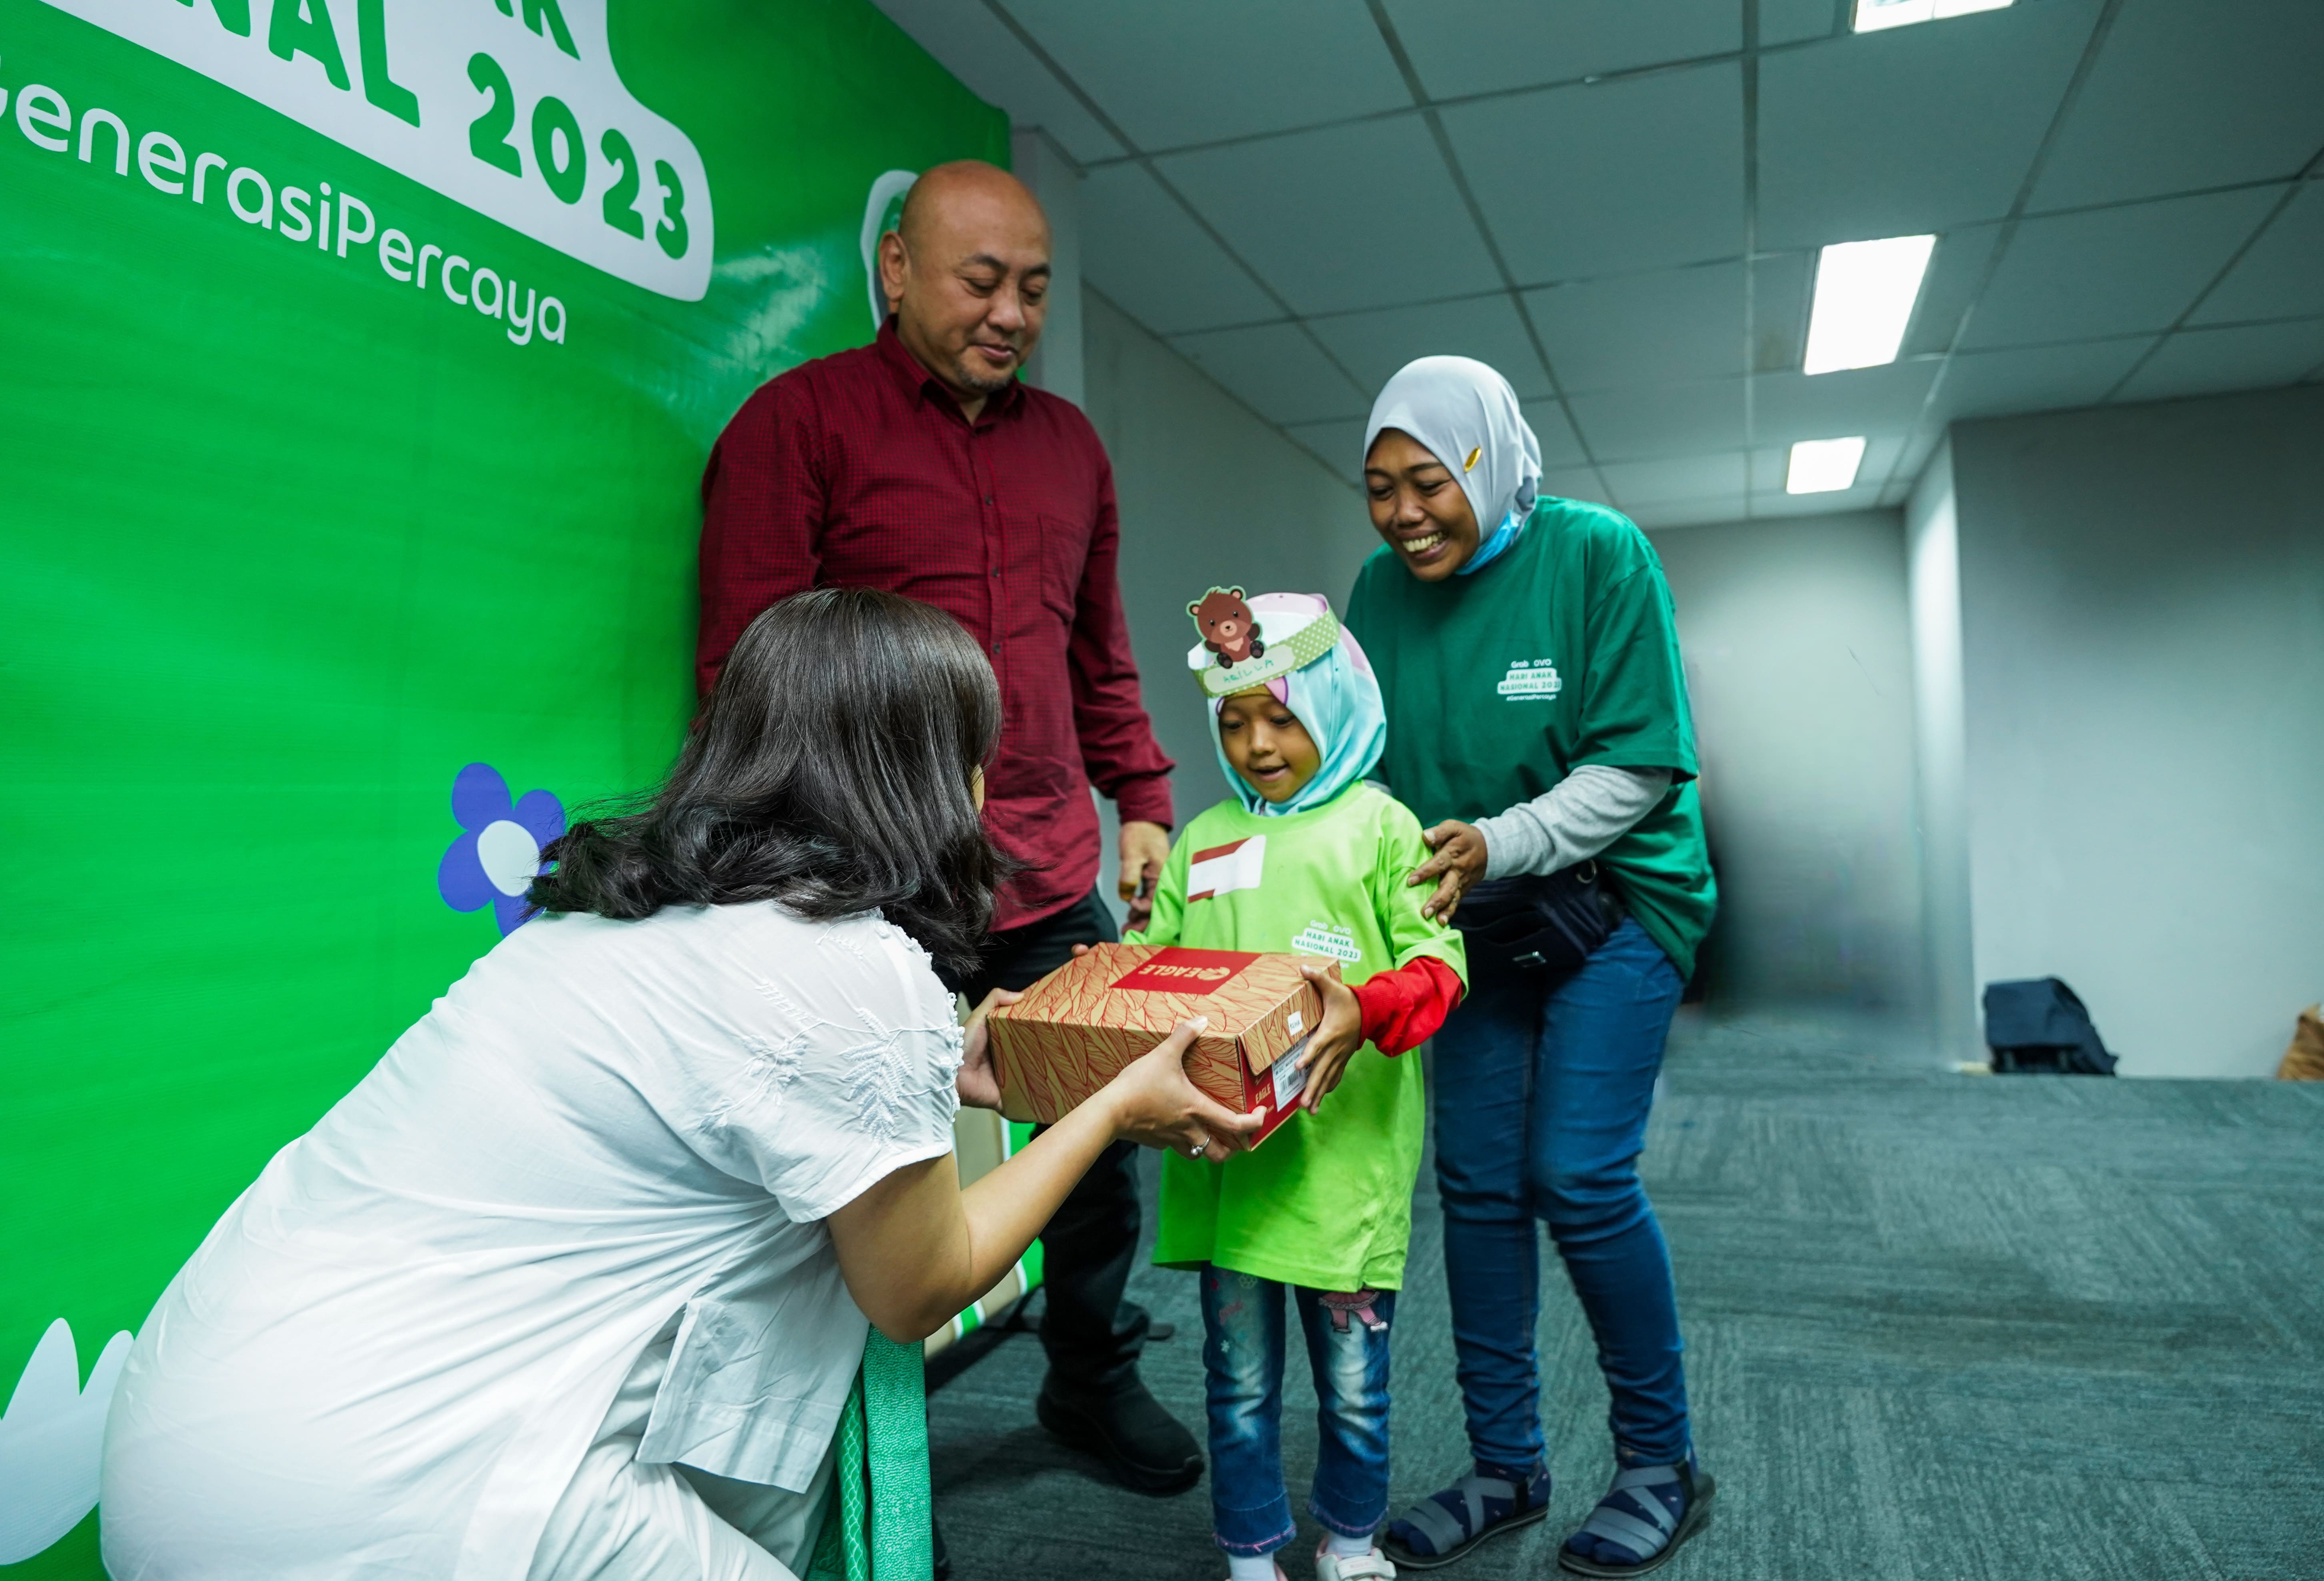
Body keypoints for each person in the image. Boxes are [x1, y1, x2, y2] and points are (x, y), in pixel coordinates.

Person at [99, 590, 1260, 1581]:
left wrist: (940, 1074)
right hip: (395, 1484)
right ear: (926, 776)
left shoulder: (613, 913)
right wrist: (1109, 1106)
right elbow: (922, 1286)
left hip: (192, 1427)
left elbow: (739, 1091)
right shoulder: (854, 970)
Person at [695, 159, 1198, 1495]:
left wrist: (1142, 798)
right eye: (983, 280)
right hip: (870, 897)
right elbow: (745, 684)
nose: (1013, 311)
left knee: (1099, 1158)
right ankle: (860, 1465)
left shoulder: (1073, 449)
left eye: (1034, 287)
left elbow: (1099, 653)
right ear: (899, 270)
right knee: (858, 1179)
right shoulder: (795, 427)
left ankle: (1092, 1378)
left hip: (1046, 874)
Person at [1345, 359, 1719, 1577]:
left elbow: (1638, 768)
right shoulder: (1377, 594)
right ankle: (1507, 1467)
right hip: (1472, 917)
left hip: (1615, 906)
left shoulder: (1597, 555)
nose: (1405, 514)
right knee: (1478, 1185)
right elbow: (1358, 771)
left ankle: (1663, 1464)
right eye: (1379, 487)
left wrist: (1501, 839)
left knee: (1577, 1175)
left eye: (1429, 482)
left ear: (1489, 464)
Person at [1113, 590, 1469, 1581]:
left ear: (1337, 707)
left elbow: (1439, 966)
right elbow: (1153, 961)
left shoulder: (1384, 828)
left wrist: (1366, 1005)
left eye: (1283, 717)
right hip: (1230, 1169)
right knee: (1235, 1381)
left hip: (1340, 1176)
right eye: (1235, 721)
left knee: (1354, 1383)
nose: (1259, 743)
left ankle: (1351, 1539)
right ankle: (1249, 1551)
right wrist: (1120, 971)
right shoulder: (1204, 837)